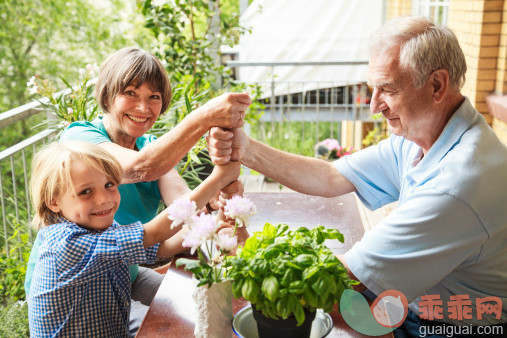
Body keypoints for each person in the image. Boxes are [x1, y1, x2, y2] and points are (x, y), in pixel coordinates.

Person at [208, 16, 507, 334]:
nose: (374, 106)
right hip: (414, 303)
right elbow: (330, 176)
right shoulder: (424, 136)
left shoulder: (458, 184)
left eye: (387, 90)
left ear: (437, 85)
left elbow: (347, 276)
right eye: (372, 89)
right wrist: (245, 149)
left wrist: (245, 254)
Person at [24, 47, 249, 335]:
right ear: (107, 96)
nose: (143, 108)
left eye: (153, 97)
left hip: (123, 270)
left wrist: (214, 216)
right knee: (166, 325)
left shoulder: (151, 149)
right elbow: (144, 168)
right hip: (79, 286)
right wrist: (205, 122)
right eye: (130, 93)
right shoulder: (81, 142)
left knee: (199, 304)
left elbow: (180, 203)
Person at [27, 141, 240, 337]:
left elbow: (160, 246)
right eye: (86, 192)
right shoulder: (65, 244)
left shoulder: (104, 229)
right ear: (53, 201)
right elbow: (153, 233)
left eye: (109, 184)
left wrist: (210, 226)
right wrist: (217, 179)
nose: (103, 199)